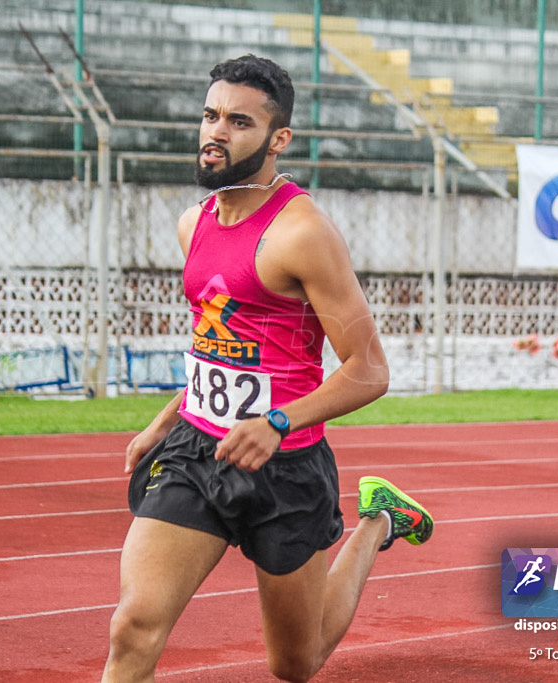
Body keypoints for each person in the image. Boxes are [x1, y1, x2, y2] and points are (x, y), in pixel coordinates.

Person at [102, 54, 434, 683]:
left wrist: (277, 422)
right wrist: (164, 420)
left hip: (285, 468)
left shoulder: (303, 233)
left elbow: (368, 369)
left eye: (239, 121)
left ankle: (379, 522)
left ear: (279, 138)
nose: (215, 133)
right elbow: (218, 347)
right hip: (196, 452)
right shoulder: (192, 225)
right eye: (210, 115)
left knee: (296, 664)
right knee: (132, 628)